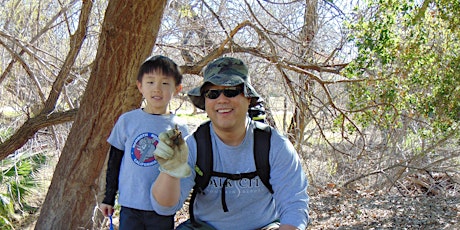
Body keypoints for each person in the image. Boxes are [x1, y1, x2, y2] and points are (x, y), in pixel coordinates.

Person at [151, 57, 309, 229]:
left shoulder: (275, 146)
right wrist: (170, 168)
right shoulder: (193, 146)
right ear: (205, 101)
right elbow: (165, 208)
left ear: (248, 98)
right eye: (213, 94)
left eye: (231, 91)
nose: (222, 100)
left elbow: (294, 207)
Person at [100, 55, 190, 230]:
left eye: (165, 83)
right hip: (130, 205)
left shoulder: (180, 129)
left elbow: (183, 171)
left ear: (177, 89)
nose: (157, 89)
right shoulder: (127, 121)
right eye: (150, 82)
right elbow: (114, 161)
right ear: (140, 86)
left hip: (161, 209)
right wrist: (108, 198)